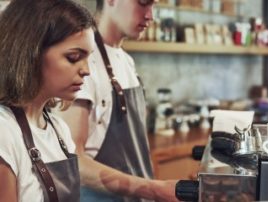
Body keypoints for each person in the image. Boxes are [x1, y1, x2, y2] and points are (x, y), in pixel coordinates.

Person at [57, 0, 179, 201]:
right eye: (143, 3)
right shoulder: (83, 63)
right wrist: (155, 189)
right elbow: (72, 160)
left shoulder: (126, 60)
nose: (150, 15)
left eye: (153, 6)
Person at [0, 0, 95, 201]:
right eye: (73, 57)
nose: (86, 70)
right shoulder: (4, 132)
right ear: (31, 52)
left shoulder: (59, 130)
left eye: (88, 58)